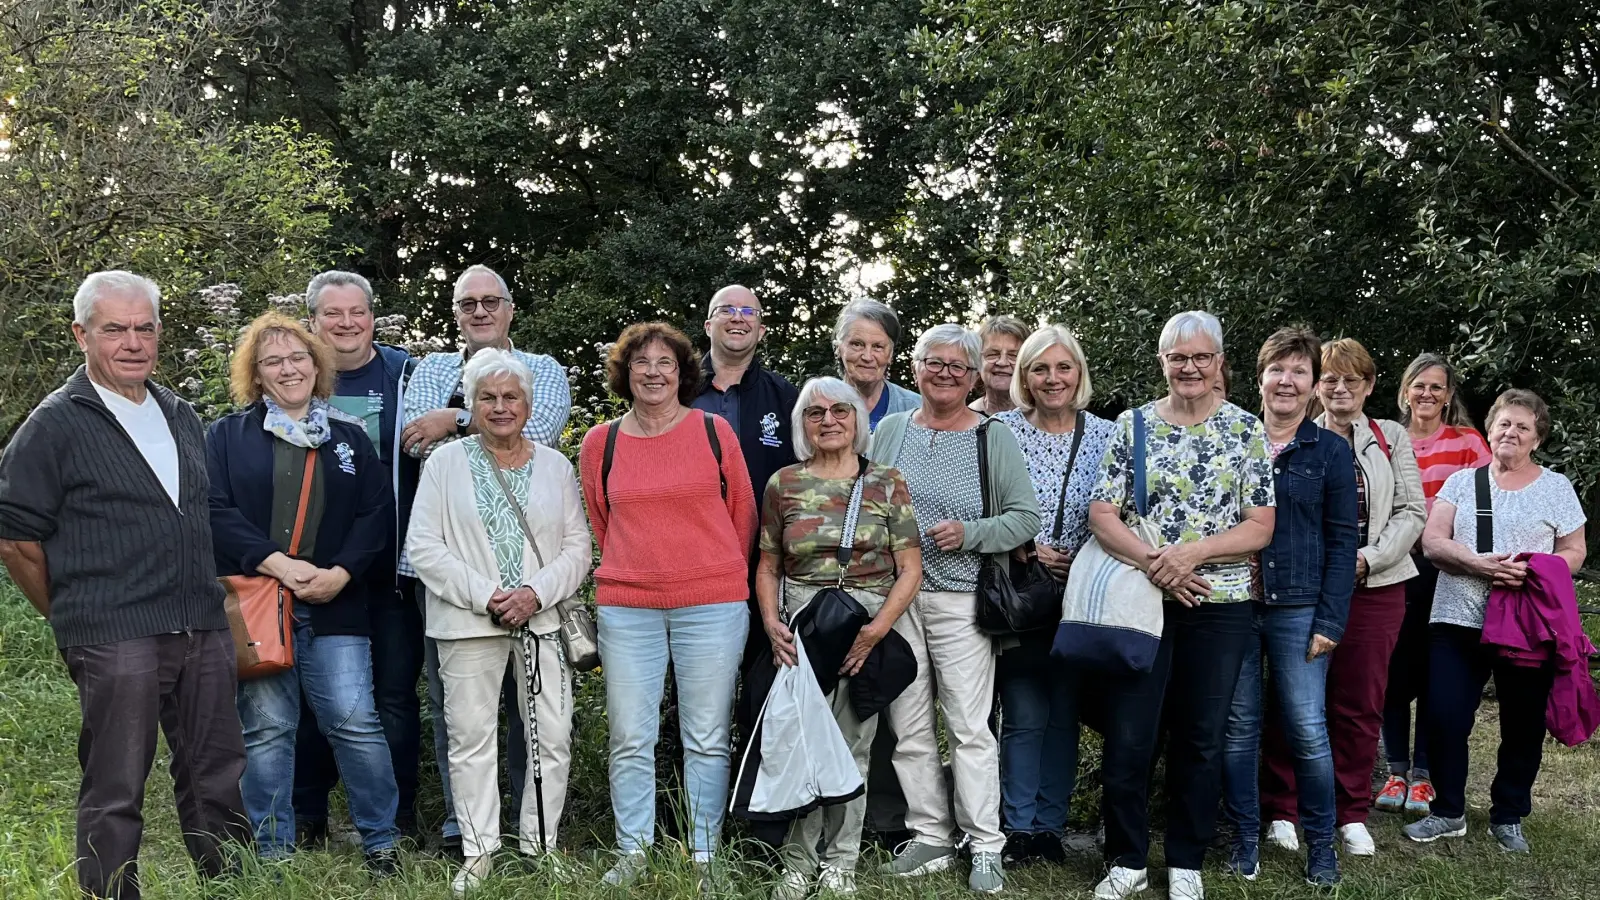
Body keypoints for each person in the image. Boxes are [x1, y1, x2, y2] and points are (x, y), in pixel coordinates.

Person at [0, 271, 252, 900]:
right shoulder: (55, 423)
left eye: (145, 327)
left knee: (217, 772)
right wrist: (73, 613)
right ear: (82, 334)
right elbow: (14, 537)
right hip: (113, 631)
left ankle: (233, 886)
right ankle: (109, 894)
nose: (133, 342)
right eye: (115, 329)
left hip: (199, 622)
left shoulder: (180, 413)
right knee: (117, 784)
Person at [1085, 310, 1276, 900]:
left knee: (1202, 733)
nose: (1189, 367)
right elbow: (1101, 514)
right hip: (1142, 599)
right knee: (1130, 732)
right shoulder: (1132, 426)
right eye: (1177, 357)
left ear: (1218, 363)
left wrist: (1190, 554)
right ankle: (1127, 858)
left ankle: (1186, 859)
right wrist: (1154, 564)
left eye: (1200, 357)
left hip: (1220, 605)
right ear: (1162, 362)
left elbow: (1260, 525)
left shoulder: (1246, 431)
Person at [206, 311, 400, 870]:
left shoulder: (349, 437)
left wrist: (340, 572)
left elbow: (375, 513)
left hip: (337, 602)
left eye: (297, 358)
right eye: (274, 362)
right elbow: (214, 511)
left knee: (354, 721)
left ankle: (381, 841)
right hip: (260, 603)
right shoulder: (224, 437)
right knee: (267, 729)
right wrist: (280, 567)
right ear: (257, 375)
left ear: (316, 366)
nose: (288, 369)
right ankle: (272, 851)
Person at [578, 323, 758, 891]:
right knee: (630, 736)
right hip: (628, 606)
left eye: (666, 363)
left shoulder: (714, 432)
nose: (653, 372)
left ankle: (705, 854)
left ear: (683, 373)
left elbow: (743, 514)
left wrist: (710, 570)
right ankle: (634, 851)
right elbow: (602, 522)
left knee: (705, 734)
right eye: (641, 362)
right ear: (624, 372)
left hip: (712, 602)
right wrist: (642, 569)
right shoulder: (599, 442)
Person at [406, 349, 592, 893]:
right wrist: (490, 595)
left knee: (551, 736)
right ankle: (478, 850)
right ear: (471, 403)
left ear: (529, 404)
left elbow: (580, 546)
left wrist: (535, 593)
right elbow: (424, 546)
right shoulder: (445, 462)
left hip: (542, 621)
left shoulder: (556, 466)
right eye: (488, 397)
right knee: (470, 739)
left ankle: (541, 845)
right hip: (466, 624)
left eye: (511, 397)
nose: (501, 406)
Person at [867, 323, 1041, 895]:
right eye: (932, 363)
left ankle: (985, 844)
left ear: (972, 377)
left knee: (969, 727)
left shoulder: (994, 437)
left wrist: (970, 532)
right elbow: (865, 502)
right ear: (914, 369)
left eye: (956, 366)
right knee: (908, 723)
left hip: (963, 599)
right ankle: (930, 835)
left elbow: (1024, 518)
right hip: (896, 599)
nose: (944, 373)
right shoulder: (890, 430)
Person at [1256, 338, 1425, 859]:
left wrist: (1368, 557)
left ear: (1371, 386)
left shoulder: (1389, 437)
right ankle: (1282, 809)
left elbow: (1412, 511)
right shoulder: (1292, 437)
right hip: (1303, 585)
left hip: (1376, 586)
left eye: (1353, 380)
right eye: (1331, 378)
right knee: (1294, 696)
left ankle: (1350, 812)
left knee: (1358, 702)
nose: (1341, 388)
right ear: (1314, 384)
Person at [758, 377, 923, 900]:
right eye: (815, 413)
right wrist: (770, 622)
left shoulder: (886, 482)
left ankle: (841, 862)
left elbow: (910, 569)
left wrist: (876, 631)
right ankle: (798, 862)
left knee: (853, 743)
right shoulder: (782, 483)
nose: (828, 420)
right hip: (802, 625)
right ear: (802, 424)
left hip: (866, 621)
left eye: (839, 411)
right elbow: (766, 565)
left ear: (857, 420)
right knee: (804, 743)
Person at [1404, 389, 1587, 852]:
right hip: (1456, 618)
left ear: (1537, 438)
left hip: (1528, 625)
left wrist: (1535, 569)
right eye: (1505, 423)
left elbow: (1575, 551)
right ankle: (1448, 811)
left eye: (1523, 427)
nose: (1512, 432)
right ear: (1490, 429)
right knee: (1444, 716)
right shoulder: (1462, 484)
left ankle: (1508, 815)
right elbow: (1433, 541)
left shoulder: (1557, 487)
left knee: (1522, 724)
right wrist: (1479, 565)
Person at [1220, 327, 1357, 888]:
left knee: (1306, 729)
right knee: (1238, 729)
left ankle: (1321, 843)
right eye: (1277, 369)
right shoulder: (1231, 437)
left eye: (1299, 371)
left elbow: (1344, 539)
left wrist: (1330, 619)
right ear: (1260, 378)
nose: (1287, 380)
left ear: (1313, 385)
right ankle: (1244, 839)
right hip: (1230, 602)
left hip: (1299, 606)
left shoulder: (1329, 450)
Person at [295, 270, 426, 844]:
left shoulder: (407, 375)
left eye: (357, 313)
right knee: (313, 702)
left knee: (394, 699)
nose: (347, 324)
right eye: (332, 314)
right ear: (312, 322)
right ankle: (308, 816)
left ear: (373, 317)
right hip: (312, 573)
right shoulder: (292, 376)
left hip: (392, 568)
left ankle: (395, 818)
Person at [990, 325, 1115, 867]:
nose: (1052, 378)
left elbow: (1123, 510)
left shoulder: (1108, 435)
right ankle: (1016, 826)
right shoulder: (998, 430)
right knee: (1022, 711)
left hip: (1084, 595)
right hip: (1021, 590)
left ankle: (1050, 826)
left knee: (1064, 712)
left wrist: (1085, 556)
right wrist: (1024, 546)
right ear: (1024, 377)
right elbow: (983, 502)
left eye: (1063, 367)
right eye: (1040, 368)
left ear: (1079, 373)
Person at [1379, 353, 1490, 816]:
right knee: (1390, 671)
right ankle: (1394, 771)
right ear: (1405, 391)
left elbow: (1489, 496)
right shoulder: (1384, 438)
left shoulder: (1467, 442)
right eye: (1418, 385)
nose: (1427, 394)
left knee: (1433, 672)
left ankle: (1423, 776)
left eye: (1437, 387)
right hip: (1392, 569)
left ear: (1448, 396)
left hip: (1444, 573)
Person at [694, 284, 800, 504]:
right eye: (726, 310)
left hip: (763, 536)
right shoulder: (678, 391)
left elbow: (803, 475)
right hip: (688, 533)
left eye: (749, 312)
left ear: (761, 331)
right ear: (708, 327)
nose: (737, 318)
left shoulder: (786, 397)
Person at [833, 299, 921, 430]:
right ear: (838, 349)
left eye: (878, 347)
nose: (867, 357)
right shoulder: (817, 408)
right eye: (857, 344)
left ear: (890, 354)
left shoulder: (916, 409)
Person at [969, 315, 1028, 415]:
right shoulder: (967, 417)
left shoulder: (1040, 416)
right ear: (978, 361)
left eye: (1013, 355)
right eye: (992, 354)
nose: (1002, 362)